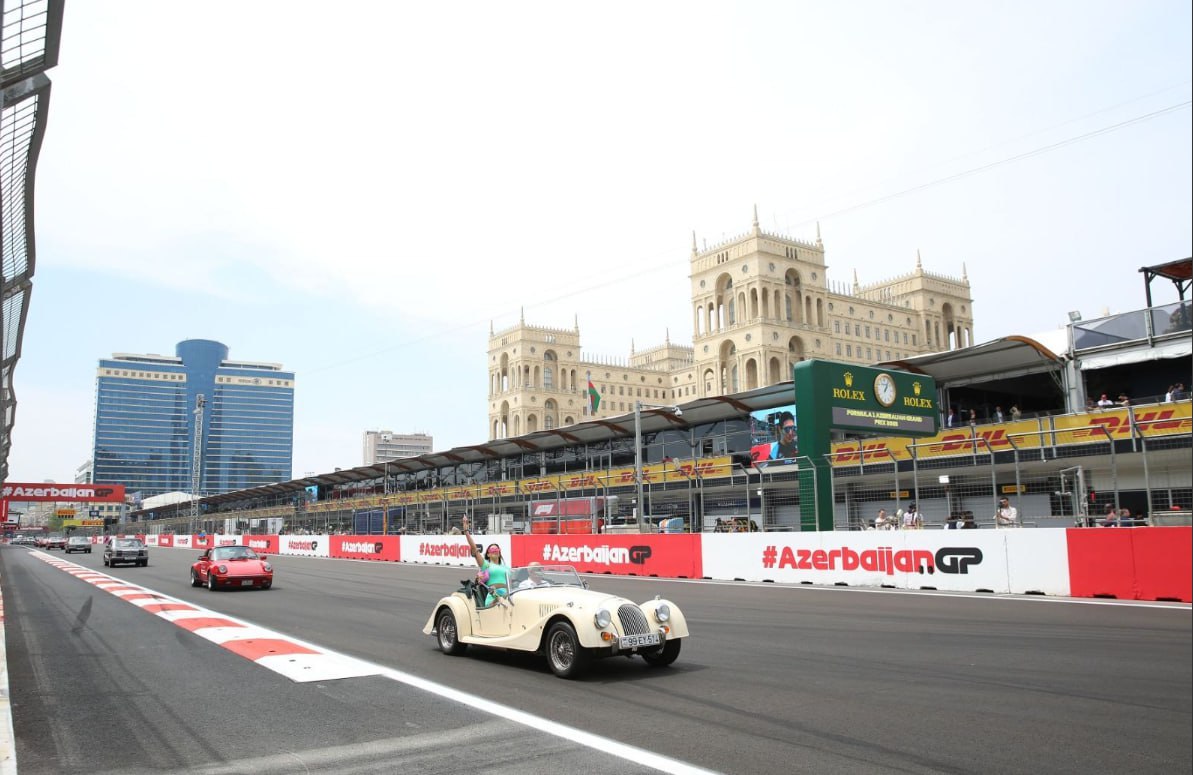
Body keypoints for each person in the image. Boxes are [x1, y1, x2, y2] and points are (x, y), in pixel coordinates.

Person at [462, 516, 508, 606]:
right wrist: (466, 532)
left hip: (508, 595)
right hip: (494, 596)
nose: (495, 550)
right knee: (499, 601)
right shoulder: (486, 565)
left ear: (499, 553)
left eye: (497, 549)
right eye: (492, 550)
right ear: (488, 554)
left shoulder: (506, 567)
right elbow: (474, 549)